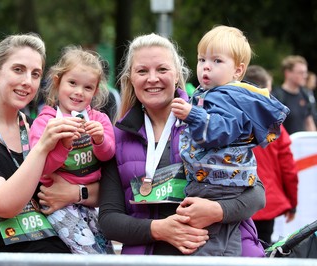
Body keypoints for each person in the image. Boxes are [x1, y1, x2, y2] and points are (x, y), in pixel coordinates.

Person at [98, 32, 266, 257]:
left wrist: (217, 210)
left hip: (226, 255)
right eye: (142, 71)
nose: (152, 78)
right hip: (151, 259)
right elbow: (109, 220)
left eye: (162, 69)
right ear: (130, 78)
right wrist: (159, 230)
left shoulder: (210, 120)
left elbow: (256, 194)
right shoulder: (117, 136)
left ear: (178, 74)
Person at [0, 33, 98, 253]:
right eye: (18, 70)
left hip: (68, 254)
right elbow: (4, 205)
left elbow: (104, 190)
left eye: (35, 74)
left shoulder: (38, 127)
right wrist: (43, 147)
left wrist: (76, 193)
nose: (27, 81)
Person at [171, 25, 289, 256]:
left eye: (217, 61)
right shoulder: (212, 94)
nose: (206, 66)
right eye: (202, 59)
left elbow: (223, 129)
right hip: (216, 182)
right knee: (227, 242)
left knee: (208, 246)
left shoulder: (229, 97)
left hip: (218, 184)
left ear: (238, 70)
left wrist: (191, 115)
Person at [29, 46, 115, 254]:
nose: (78, 92)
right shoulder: (45, 123)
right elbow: (41, 168)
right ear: (58, 82)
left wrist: (99, 140)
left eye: (87, 87)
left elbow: (109, 154)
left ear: (95, 91)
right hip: (58, 206)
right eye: (72, 83)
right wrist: (64, 146)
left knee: (107, 252)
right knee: (89, 253)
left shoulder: (99, 119)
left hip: (89, 204)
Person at [244, 65, 298, 246]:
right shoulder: (276, 127)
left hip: (234, 203)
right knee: (264, 249)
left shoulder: (226, 121)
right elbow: (289, 169)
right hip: (266, 202)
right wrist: (292, 203)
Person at [272, 55, 316, 134]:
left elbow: (309, 122)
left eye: (305, 72)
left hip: (302, 144)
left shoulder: (305, 95)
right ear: (288, 73)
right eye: (301, 72)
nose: (305, 76)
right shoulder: (277, 96)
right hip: (285, 144)